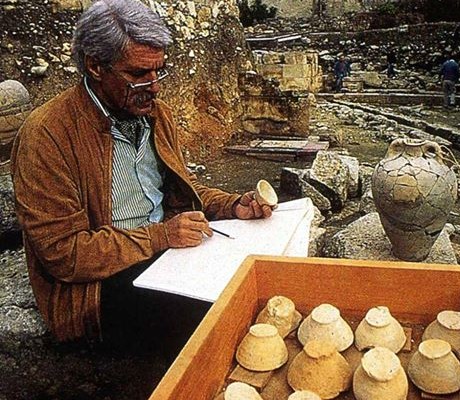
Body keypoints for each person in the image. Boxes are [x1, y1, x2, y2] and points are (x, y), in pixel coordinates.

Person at [10, 0, 273, 349]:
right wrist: (159, 237)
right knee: (220, 316)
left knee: (261, 279)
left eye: (159, 71)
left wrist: (233, 205)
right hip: (95, 286)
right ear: (95, 66)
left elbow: (180, 186)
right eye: (138, 74)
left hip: (166, 255)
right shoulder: (47, 135)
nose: (155, 86)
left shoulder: (155, 114)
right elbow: (64, 253)